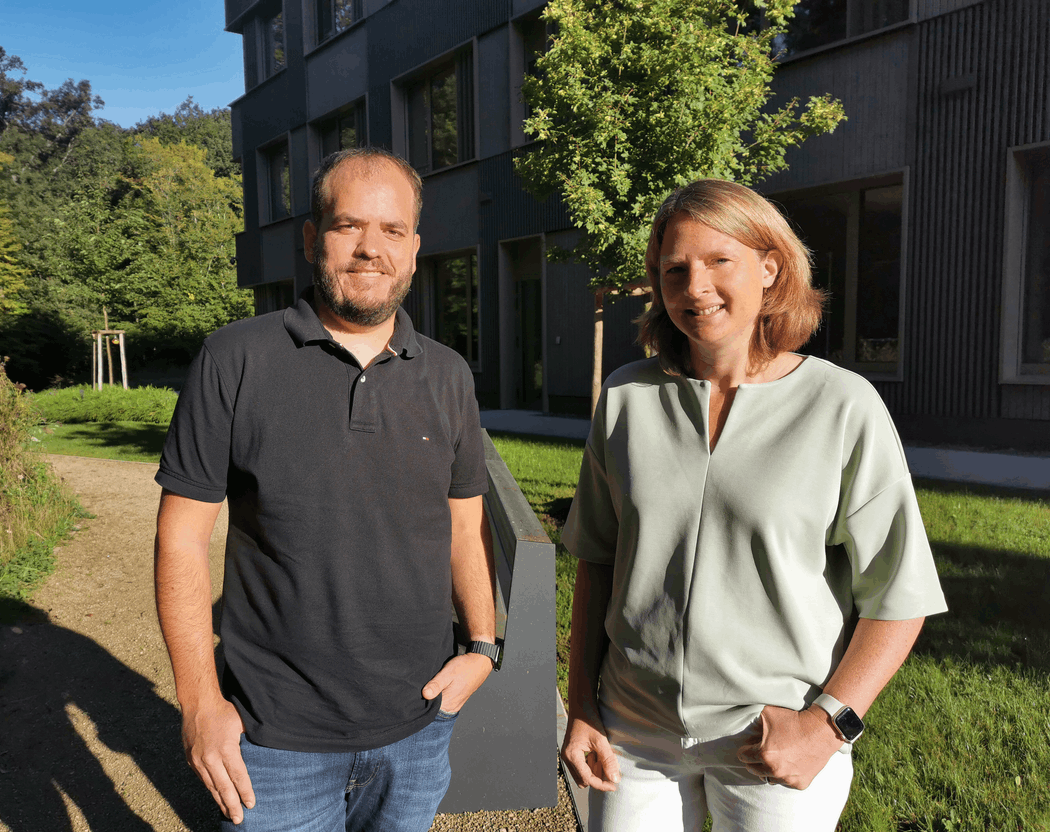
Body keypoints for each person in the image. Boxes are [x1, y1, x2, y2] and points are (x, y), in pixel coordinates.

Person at [560, 179, 948, 831]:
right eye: (673, 269)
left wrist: (829, 725)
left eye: (719, 261)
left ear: (770, 267)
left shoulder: (840, 405)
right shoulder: (627, 397)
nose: (694, 287)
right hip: (632, 738)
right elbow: (598, 562)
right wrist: (580, 706)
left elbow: (899, 596)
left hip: (773, 738)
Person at [154, 147, 499, 832]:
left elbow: (465, 527)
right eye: (348, 226)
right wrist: (198, 703)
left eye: (392, 230)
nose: (371, 248)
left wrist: (483, 649)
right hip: (273, 738)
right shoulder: (235, 358)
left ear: (414, 248)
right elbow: (181, 537)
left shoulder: (449, 374)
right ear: (312, 239)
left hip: (418, 726)